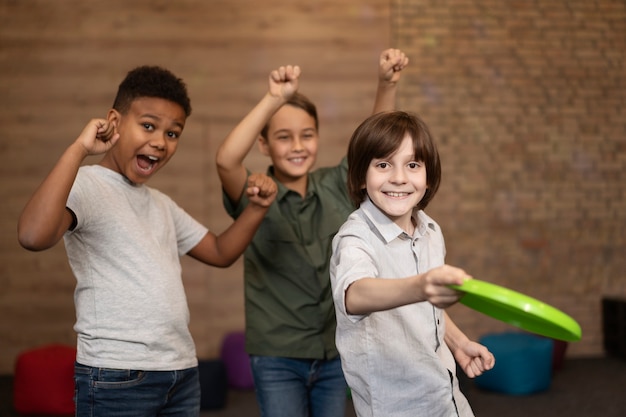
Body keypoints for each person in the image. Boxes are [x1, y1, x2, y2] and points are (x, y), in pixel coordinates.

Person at [17, 66, 277, 417]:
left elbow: (219, 251)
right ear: (115, 122)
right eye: (149, 125)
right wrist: (80, 148)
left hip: (180, 372)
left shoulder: (160, 204)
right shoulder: (87, 185)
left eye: (173, 133)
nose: (160, 141)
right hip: (115, 373)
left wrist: (257, 209)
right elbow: (33, 236)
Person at [215, 49, 409, 417]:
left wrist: (386, 84)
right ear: (264, 144)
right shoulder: (255, 193)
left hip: (336, 349)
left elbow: (375, 145)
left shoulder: (337, 184)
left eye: (307, 135)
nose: (298, 146)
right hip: (277, 356)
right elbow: (226, 159)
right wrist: (275, 99)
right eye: (284, 137)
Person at [330, 110, 495, 417]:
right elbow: (354, 294)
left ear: (428, 176)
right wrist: (421, 286)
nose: (399, 177)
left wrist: (458, 344)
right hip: (398, 407)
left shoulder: (430, 230)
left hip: (445, 395)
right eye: (383, 164)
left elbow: (426, 311)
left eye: (413, 165)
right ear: (360, 177)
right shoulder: (354, 238)